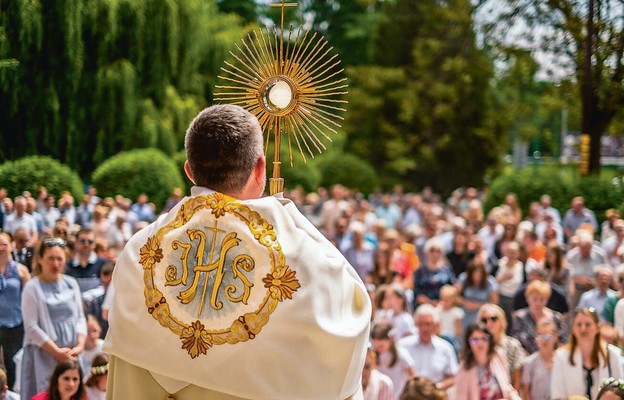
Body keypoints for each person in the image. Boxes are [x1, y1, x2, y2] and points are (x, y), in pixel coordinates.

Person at [103, 104, 371, 399]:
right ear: (260, 168)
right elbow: (347, 333)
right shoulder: (307, 261)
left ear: (189, 171)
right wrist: (293, 222)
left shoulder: (138, 251)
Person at [20, 238, 87, 400]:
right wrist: (56, 352)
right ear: (40, 259)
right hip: (44, 353)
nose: (55, 264)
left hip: (71, 353)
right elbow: (31, 327)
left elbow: (79, 317)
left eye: (59, 259)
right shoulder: (32, 287)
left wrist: (80, 345)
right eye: (50, 258)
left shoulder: (71, 283)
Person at [551, 307, 624, 400]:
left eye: (588, 324)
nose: (583, 328)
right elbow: (557, 395)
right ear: (573, 328)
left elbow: (620, 392)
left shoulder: (613, 354)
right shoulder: (561, 356)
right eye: (579, 324)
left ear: (597, 328)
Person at [397, 304, 458, 391]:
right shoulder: (403, 345)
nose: (424, 328)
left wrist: (436, 387)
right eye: (421, 324)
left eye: (428, 324)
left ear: (436, 325)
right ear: (416, 325)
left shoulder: (445, 348)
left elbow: (453, 377)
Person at [455, 323, 520, 400]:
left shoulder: (499, 356)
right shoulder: (464, 367)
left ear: (490, 340)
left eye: (484, 339)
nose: (480, 344)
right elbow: (460, 396)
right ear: (468, 343)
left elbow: (507, 388)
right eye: (475, 340)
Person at [0, 232, 30, 389]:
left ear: (12, 245)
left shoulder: (21, 270)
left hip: (15, 324)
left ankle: (11, 391)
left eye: (4, 243)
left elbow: (29, 298)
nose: (1, 247)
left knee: (12, 363)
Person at [511, 280, 567, 354]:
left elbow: (562, 340)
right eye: (535, 299)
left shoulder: (556, 317)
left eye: (542, 299)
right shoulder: (520, 317)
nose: (538, 303)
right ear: (528, 298)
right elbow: (515, 341)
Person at [477, 304, 524, 391]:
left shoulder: (512, 345)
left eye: (493, 318)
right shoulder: (476, 346)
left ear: (502, 320)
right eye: (484, 320)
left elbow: (517, 379)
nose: (489, 323)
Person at [371, 322, 415, 400]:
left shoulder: (401, 354)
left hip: (397, 396)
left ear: (390, 339)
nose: (378, 349)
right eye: (376, 346)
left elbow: (412, 376)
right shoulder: (373, 354)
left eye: (381, 346)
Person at [521, 319, 558, 400]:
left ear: (555, 337)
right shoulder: (529, 362)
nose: (544, 340)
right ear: (536, 338)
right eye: (540, 336)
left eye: (548, 336)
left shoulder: (562, 361)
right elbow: (526, 392)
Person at [457, 259, 499, 328]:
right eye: (474, 274)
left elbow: (494, 302)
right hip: (465, 313)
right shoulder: (464, 278)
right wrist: (465, 303)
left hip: (482, 314)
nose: (476, 277)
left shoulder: (490, 282)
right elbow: (454, 295)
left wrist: (477, 305)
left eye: (479, 274)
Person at [65, 228, 107, 294]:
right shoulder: (67, 265)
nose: (86, 244)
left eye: (90, 242)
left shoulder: (104, 264)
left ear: (94, 244)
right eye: (82, 241)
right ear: (76, 242)